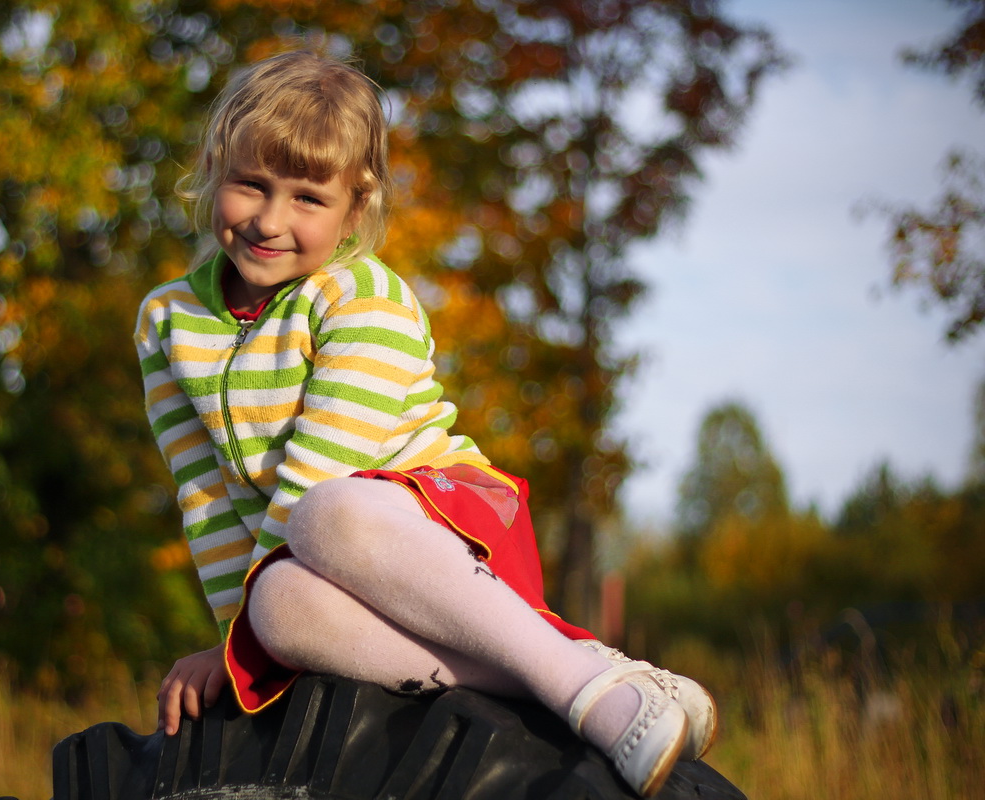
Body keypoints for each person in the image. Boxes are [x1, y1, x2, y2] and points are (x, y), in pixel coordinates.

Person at [134, 49, 716, 797]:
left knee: (327, 511)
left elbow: (323, 469)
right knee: (276, 610)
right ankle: (569, 675)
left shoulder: (361, 299)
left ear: (356, 202)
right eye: (251, 184)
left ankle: (595, 691)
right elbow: (206, 500)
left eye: (308, 198)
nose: (271, 221)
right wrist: (235, 647)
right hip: (330, 573)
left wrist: (234, 648)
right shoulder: (167, 322)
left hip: (441, 542)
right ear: (217, 167)